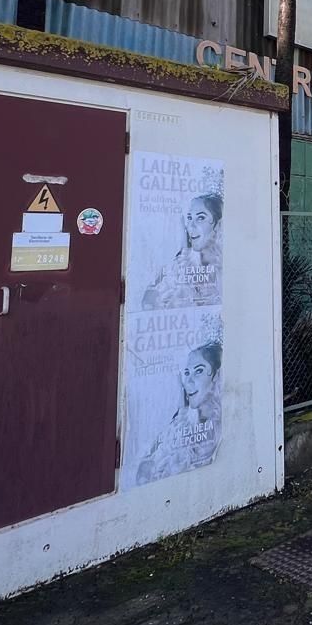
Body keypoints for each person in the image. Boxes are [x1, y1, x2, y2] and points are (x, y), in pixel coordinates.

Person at [134, 342, 222, 483]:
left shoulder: (221, 425)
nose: (189, 381)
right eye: (187, 373)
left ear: (216, 375)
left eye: (199, 371)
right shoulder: (179, 423)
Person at [140, 193, 223, 309]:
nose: (191, 226)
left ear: (218, 225)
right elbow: (147, 303)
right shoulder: (179, 265)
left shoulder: (226, 268)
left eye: (201, 218)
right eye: (189, 218)